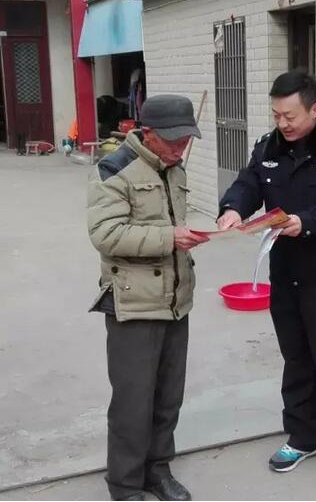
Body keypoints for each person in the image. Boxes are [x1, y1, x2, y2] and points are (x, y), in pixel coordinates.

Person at [217, 71, 316, 487]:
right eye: (276, 115)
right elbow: (249, 182)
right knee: (296, 358)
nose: (282, 123)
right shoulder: (268, 146)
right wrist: (233, 207)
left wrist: (307, 222)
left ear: (314, 109)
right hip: (285, 273)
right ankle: (303, 437)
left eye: (290, 116)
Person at [87, 94, 208, 501]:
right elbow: (105, 234)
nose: (179, 148)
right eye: (172, 141)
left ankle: (158, 470)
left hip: (175, 300)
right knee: (133, 402)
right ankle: (125, 486)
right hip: (134, 304)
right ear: (148, 133)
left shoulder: (174, 168)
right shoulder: (115, 168)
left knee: (168, 397)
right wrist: (170, 237)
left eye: (185, 140)